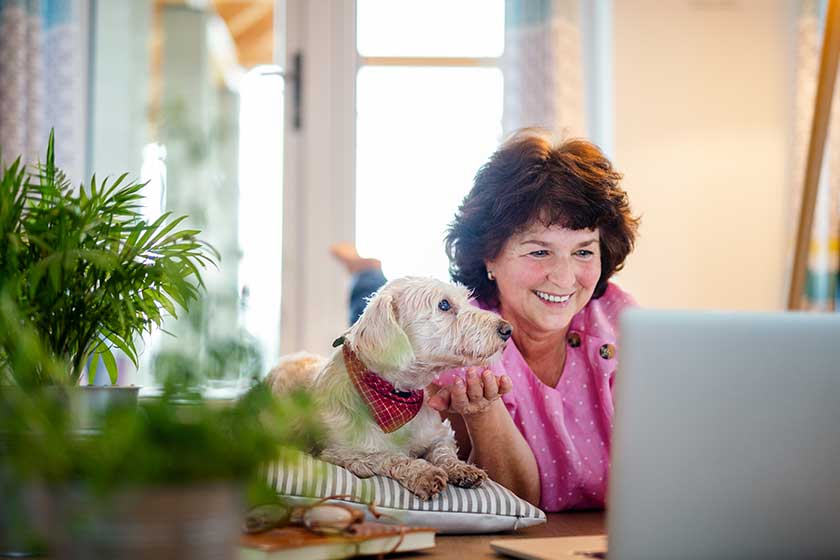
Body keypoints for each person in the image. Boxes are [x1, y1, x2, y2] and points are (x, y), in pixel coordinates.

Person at [331, 128, 639, 512]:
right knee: (371, 313)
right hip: (397, 340)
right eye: (540, 251)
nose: (563, 278)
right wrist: (483, 415)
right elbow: (500, 498)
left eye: (583, 252)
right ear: (490, 256)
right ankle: (367, 272)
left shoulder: (622, 323)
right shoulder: (454, 348)